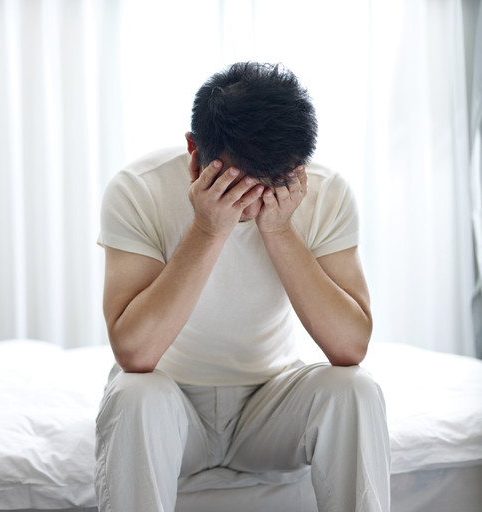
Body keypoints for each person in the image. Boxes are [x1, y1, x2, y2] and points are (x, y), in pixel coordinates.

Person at [95, 62, 390, 512]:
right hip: (172, 405)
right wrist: (207, 229)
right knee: (133, 394)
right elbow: (134, 352)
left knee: (356, 390)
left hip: (271, 406)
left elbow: (350, 347)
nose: (254, 203)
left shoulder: (324, 192)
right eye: (237, 184)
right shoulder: (138, 189)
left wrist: (281, 231)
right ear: (195, 152)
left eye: (273, 185)